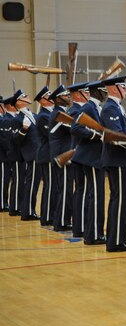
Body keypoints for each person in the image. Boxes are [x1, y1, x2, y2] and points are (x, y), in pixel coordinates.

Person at [101, 76, 126, 252]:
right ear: (114, 89)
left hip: (120, 159)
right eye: (123, 86)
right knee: (119, 200)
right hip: (117, 158)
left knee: (120, 199)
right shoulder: (110, 108)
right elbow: (118, 135)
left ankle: (118, 239)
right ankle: (115, 241)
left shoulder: (117, 107)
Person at [71, 81, 106, 242]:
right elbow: (76, 128)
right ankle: (93, 234)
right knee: (95, 195)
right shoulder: (88, 107)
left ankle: (90, 231)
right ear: (96, 92)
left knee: (93, 194)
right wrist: (96, 135)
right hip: (91, 157)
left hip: (94, 156)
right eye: (103, 90)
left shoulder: (95, 107)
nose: (106, 93)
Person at [49, 85, 75, 232]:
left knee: (63, 189)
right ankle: (62, 222)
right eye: (65, 95)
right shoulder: (58, 113)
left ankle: (62, 220)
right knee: (65, 190)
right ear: (58, 99)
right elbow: (74, 127)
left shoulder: (60, 112)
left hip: (62, 154)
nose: (68, 97)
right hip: (62, 156)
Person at [14, 90, 41, 221]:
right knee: (31, 183)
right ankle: (27, 212)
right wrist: (23, 129)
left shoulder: (34, 115)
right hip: (32, 154)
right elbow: (15, 140)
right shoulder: (17, 118)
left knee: (35, 184)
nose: (28, 97)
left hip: (39, 153)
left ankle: (30, 210)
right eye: (24, 96)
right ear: (19, 102)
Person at [67, 82, 89, 237]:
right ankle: (79, 226)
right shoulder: (76, 111)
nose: (88, 94)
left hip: (80, 154)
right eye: (84, 92)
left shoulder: (77, 110)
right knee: (81, 190)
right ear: (77, 95)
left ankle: (81, 224)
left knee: (82, 190)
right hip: (80, 154)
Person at [34, 87, 54, 226]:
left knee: (53, 186)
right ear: (42, 100)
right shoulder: (43, 116)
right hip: (46, 154)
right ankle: (46, 216)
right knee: (50, 185)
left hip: (50, 154)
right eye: (48, 96)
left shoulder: (49, 114)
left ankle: (51, 215)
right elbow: (51, 135)